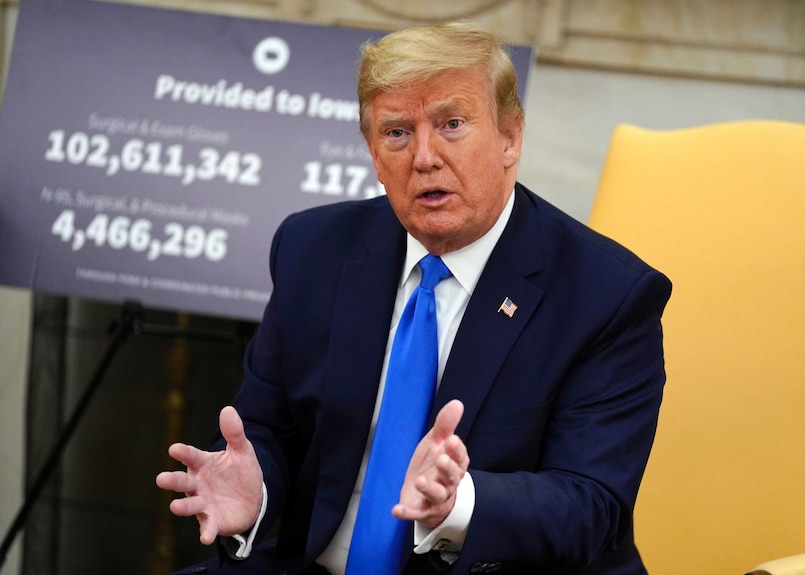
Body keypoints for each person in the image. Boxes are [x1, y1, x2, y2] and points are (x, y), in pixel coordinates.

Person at [157, 20, 672, 575]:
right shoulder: (313, 249)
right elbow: (266, 429)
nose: (424, 157)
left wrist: (460, 503)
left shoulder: (607, 295)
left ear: (510, 137)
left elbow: (591, 506)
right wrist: (258, 490)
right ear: (373, 154)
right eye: (397, 132)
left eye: (451, 124)